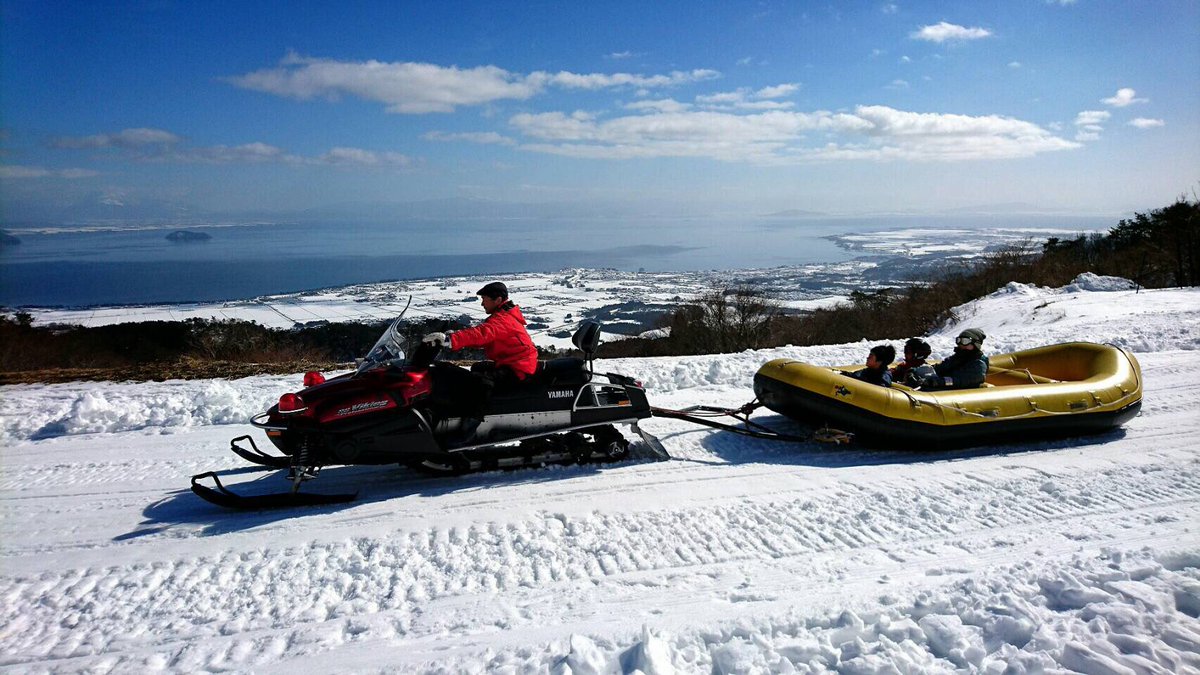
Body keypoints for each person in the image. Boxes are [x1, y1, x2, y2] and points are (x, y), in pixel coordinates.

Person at [421, 282, 539, 438]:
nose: (482, 303)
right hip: (513, 363)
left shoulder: (503, 319)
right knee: (477, 368)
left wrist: (451, 339)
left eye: (485, 298)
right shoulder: (505, 315)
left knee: (480, 382)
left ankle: (470, 426)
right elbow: (485, 338)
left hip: (518, 369)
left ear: (497, 300)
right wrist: (455, 336)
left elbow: (483, 333)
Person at [919, 328, 989, 390]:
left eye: (965, 341)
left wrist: (939, 381)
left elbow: (961, 380)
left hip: (960, 395)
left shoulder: (979, 364)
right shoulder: (957, 358)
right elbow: (940, 367)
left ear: (975, 344)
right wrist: (920, 371)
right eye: (959, 340)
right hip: (946, 389)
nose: (961, 344)